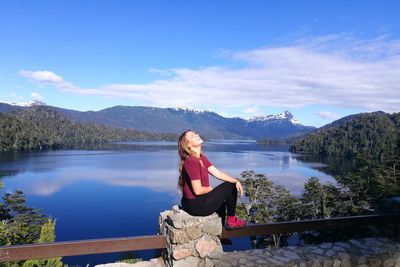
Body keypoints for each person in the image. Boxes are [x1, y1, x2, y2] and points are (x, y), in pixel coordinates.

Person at [177, 130, 246, 229]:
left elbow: (217, 173)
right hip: (195, 206)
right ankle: (232, 221)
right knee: (230, 186)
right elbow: (198, 190)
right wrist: (212, 189)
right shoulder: (192, 161)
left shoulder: (201, 158)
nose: (197, 135)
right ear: (188, 145)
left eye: (196, 133)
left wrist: (236, 180)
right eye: (192, 136)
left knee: (223, 198)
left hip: (191, 203)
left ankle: (221, 232)